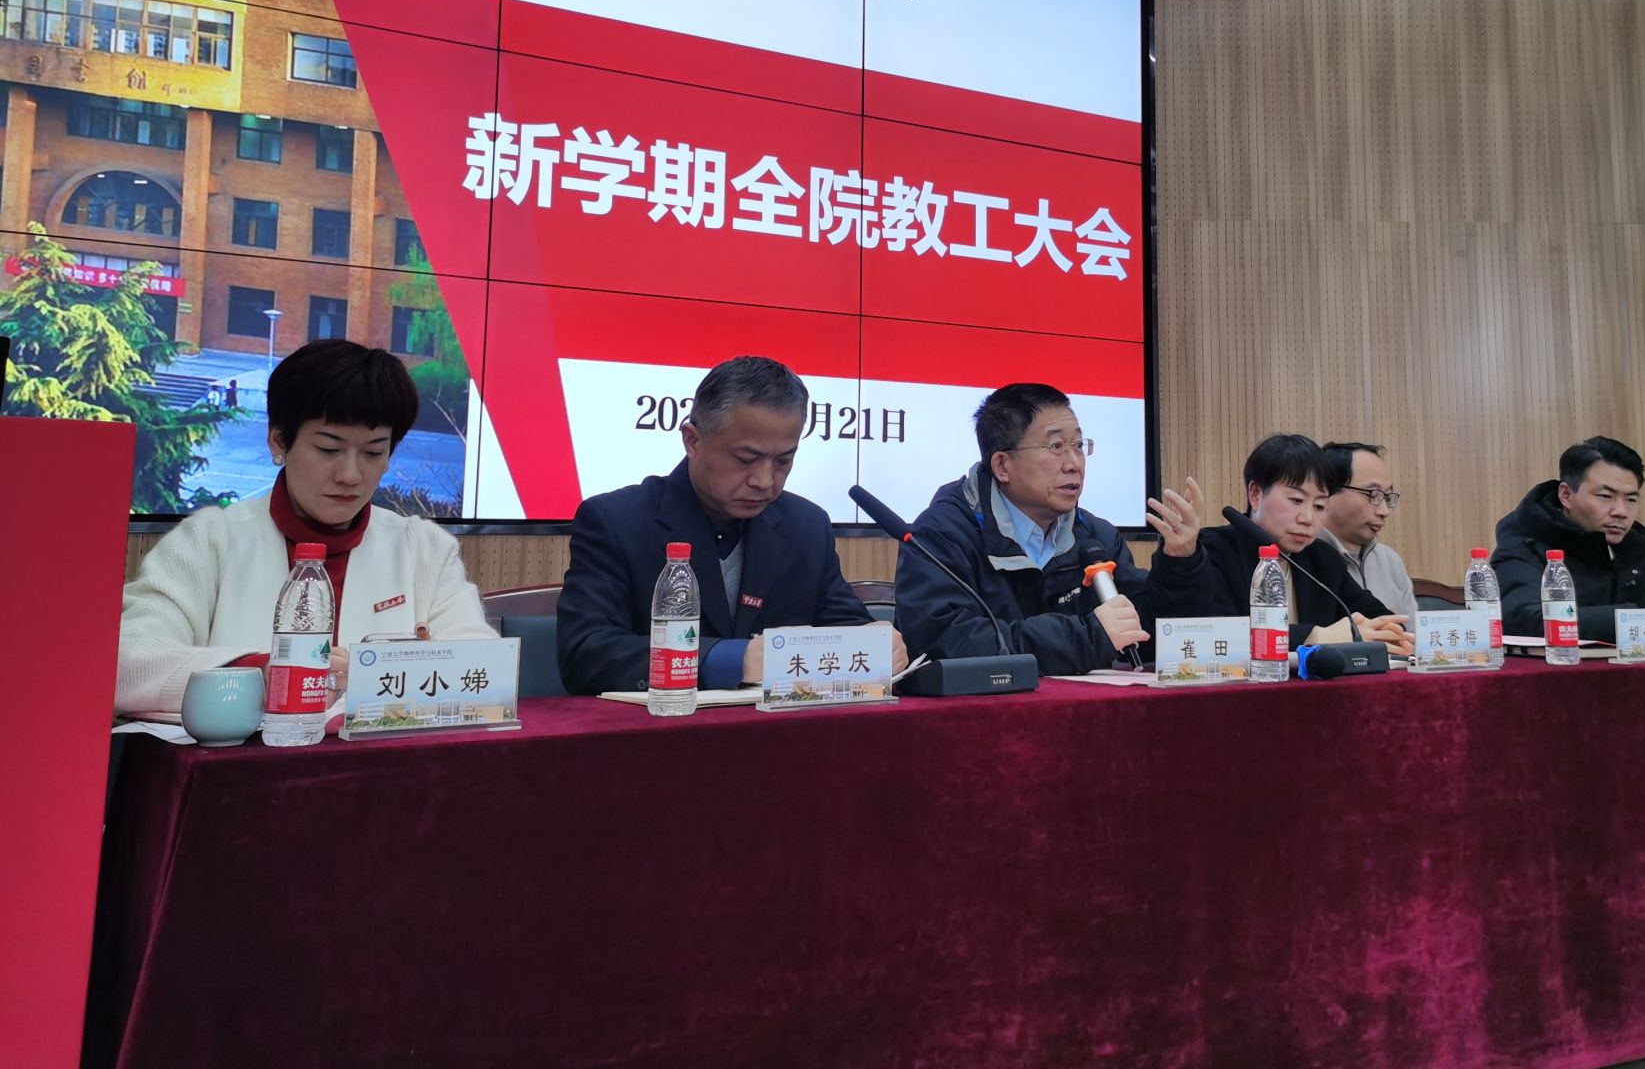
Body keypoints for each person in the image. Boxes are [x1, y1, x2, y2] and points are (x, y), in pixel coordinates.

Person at [114, 340, 494, 716]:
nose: (350, 475)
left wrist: (385, 674)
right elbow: (128, 662)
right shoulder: (210, 540)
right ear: (279, 441)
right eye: (329, 449)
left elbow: (485, 670)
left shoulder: (422, 548)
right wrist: (264, 676)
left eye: (373, 452)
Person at [557, 355, 907, 693]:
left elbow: (845, 626)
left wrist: (874, 644)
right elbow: (586, 654)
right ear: (692, 440)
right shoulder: (617, 521)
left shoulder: (806, 526)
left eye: (783, 461)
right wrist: (731, 660)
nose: (764, 481)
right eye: (745, 459)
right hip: (661, 726)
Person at [895, 383, 1152, 675]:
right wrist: (1086, 636)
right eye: (1056, 447)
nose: (1074, 464)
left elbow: (1146, 637)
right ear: (1002, 466)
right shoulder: (941, 535)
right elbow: (945, 643)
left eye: (1079, 446)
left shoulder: (1096, 538)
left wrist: (1179, 564)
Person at [1147, 434, 1414, 656]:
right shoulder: (1213, 550)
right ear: (1255, 494)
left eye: (1319, 506)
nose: (1307, 518)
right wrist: (1315, 636)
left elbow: (1378, 618)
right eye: (1296, 500)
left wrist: (1385, 631)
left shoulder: (1320, 559)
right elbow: (1215, 635)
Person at [1491, 436, 1645, 645]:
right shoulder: (1522, 549)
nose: (1621, 511)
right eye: (1605, 496)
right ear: (1566, 495)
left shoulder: (1622, 550)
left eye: (1631, 499)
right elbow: (1525, 620)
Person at [1319, 441, 1418, 619]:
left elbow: (1412, 632)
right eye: (1372, 494)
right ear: (1327, 492)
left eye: (1386, 497)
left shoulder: (1389, 560)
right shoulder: (1303, 559)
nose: (1384, 511)